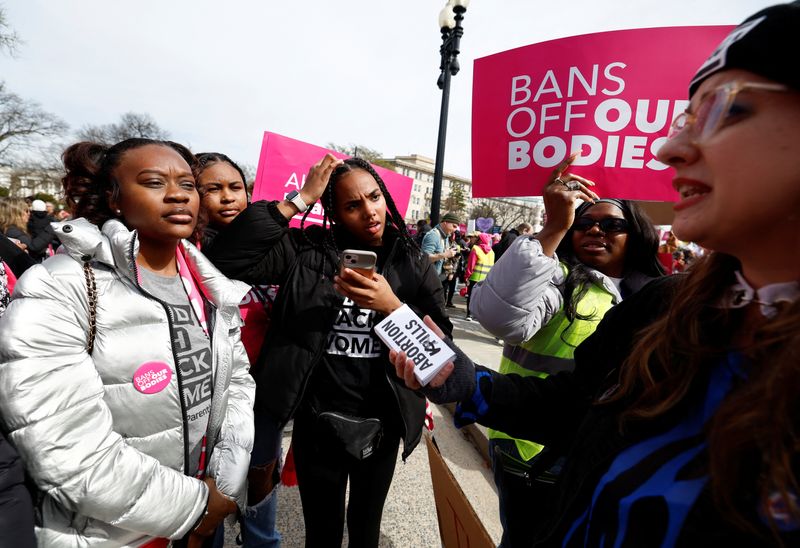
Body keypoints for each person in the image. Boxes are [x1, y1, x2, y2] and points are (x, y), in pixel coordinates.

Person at [391, 3, 800, 544]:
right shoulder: (667, 307)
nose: (670, 148)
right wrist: (462, 380)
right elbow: (572, 405)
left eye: (725, 110)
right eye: (685, 118)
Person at [0, 138, 255, 546]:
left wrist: (221, 488)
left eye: (188, 184)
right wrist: (192, 507)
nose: (177, 194)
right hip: (107, 534)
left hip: (203, 518)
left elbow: (238, 384)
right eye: (154, 182)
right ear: (114, 198)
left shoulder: (210, 285)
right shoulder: (60, 285)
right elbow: (64, 447)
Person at [205, 154, 452, 547]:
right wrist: (298, 200)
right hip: (318, 421)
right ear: (335, 213)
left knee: (365, 529)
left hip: (382, 420)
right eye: (353, 205)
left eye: (374, 197)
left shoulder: (412, 261)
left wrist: (392, 306)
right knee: (321, 532)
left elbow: (441, 350)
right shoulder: (306, 252)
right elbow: (227, 259)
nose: (370, 212)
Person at [469, 187, 663, 545]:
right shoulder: (556, 278)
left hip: (612, 453)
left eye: (610, 224)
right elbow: (497, 317)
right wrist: (554, 228)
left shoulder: (659, 296)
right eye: (584, 222)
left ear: (635, 232)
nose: (594, 230)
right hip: (531, 448)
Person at [195, 151, 283, 548]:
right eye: (213, 189)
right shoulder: (188, 252)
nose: (228, 197)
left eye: (236, 187)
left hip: (262, 401)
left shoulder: (276, 250)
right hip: (207, 408)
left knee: (261, 515)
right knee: (206, 517)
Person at [464, 232, 497, 321]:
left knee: (471, 296)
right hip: (485, 279)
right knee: (480, 297)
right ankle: (476, 315)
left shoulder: (475, 249)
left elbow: (471, 264)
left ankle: (469, 314)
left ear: (480, 240)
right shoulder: (491, 252)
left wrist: (467, 276)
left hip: (474, 277)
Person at [421, 211, 460, 281]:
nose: (455, 230)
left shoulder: (446, 236)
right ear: (445, 222)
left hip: (438, 278)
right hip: (428, 280)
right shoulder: (433, 235)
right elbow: (424, 258)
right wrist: (444, 255)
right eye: (454, 226)